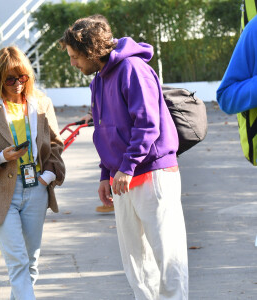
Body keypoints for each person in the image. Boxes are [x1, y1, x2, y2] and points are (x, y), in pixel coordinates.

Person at [59, 15, 188, 299]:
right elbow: (105, 133)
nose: (73, 63)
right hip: (122, 179)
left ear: (92, 50)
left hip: (152, 173)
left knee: (167, 258)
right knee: (136, 264)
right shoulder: (98, 80)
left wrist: (126, 167)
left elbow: (147, 125)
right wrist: (105, 174)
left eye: (75, 57)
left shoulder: (133, 68)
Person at [0, 46, 65, 299]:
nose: (17, 83)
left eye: (22, 77)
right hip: (2, 189)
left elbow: (55, 143)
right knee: (17, 261)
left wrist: (48, 176)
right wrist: (0, 156)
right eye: (10, 78)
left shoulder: (41, 103)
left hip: (37, 187)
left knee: (30, 262)